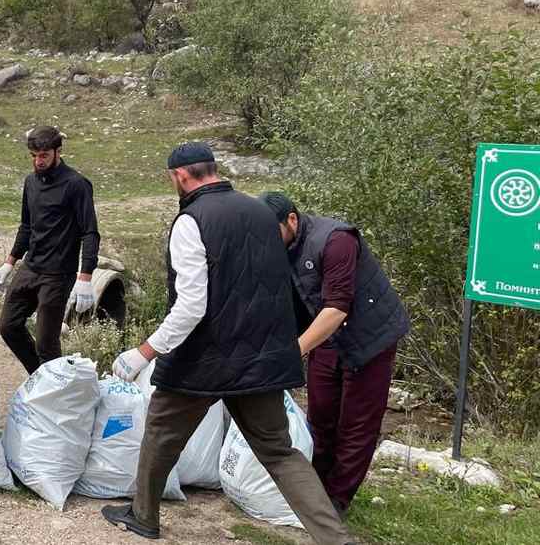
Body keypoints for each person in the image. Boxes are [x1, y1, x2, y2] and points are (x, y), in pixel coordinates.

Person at [103, 143, 351, 545]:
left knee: (161, 434)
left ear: (180, 176)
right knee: (279, 452)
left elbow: (191, 306)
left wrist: (144, 352)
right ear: (214, 170)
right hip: (261, 357)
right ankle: (336, 540)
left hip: (203, 359)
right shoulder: (259, 211)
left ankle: (143, 516)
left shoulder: (191, 220)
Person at [258, 191, 410, 519]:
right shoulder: (281, 248)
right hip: (327, 336)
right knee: (321, 415)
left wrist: (293, 351)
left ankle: (336, 502)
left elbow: (337, 308)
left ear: (292, 220)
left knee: (356, 424)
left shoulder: (336, 240)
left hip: (369, 337)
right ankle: (315, 491)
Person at [0, 125, 100, 374]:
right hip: (31, 267)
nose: (38, 161)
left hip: (58, 274)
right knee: (8, 326)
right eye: (33, 156)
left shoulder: (77, 184)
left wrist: (85, 278)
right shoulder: (30, 182)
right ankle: (41, 378)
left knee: (46, 343)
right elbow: (26, 225)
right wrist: (10, 262)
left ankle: (55, 396)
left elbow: (90, 232)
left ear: (57, 151)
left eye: (43, 155)